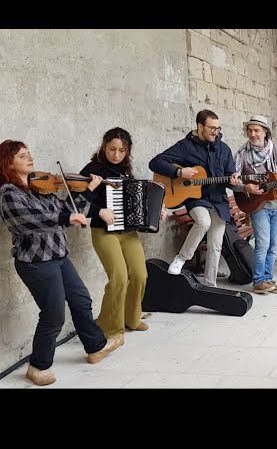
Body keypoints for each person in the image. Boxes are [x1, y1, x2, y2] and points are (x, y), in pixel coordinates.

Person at [0, 140, 121, 386]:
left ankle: (96, 347)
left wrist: (88, 191)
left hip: (58, 256)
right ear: (8, 163)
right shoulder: (8, 193)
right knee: (54, 314)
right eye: (22, 156)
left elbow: (66, 208)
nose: (29, 157)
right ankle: (38, 367)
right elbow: (29, 220)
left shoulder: (39, 187)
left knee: (80, 300)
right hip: (36, 263)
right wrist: (67, 217)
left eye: (29, 153)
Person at [80, 128, 167, 339]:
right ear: (104, 146)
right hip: (104, 231)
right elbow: (74, 204)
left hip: (127, 232)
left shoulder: (125, 171)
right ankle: (109, 327)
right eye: (112, 149)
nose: (116, 154)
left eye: (121, 150)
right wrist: (98, 210)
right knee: (118, 277)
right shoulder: (92, 170)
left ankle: (131, 318)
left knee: (140, 274)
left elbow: (137, 200)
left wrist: (156, 210)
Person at [149, 109, 240, 287]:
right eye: (212, 128)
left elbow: (230, 178)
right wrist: (179, 171)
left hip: (219, 202)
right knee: (203, 222)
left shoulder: (223, 149)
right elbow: (155, 162)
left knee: (215, 245)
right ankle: (181, 258)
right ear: (200, 126)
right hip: (197, 200)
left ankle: (210, 285)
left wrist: (234, 181)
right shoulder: (185, 146)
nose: (216, 132)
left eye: (218, 128)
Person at [234, 115, 277, 294]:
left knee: (273, 245)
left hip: (275, 204)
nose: (252, 134)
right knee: (263, 243)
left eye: (256, 130)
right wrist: (245, 187)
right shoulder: (243, 154)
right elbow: (233, 180)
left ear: (265, 132)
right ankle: (258, 281)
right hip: (257, 206)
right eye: (250, 130)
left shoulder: (276, 149)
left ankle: (268, 279)